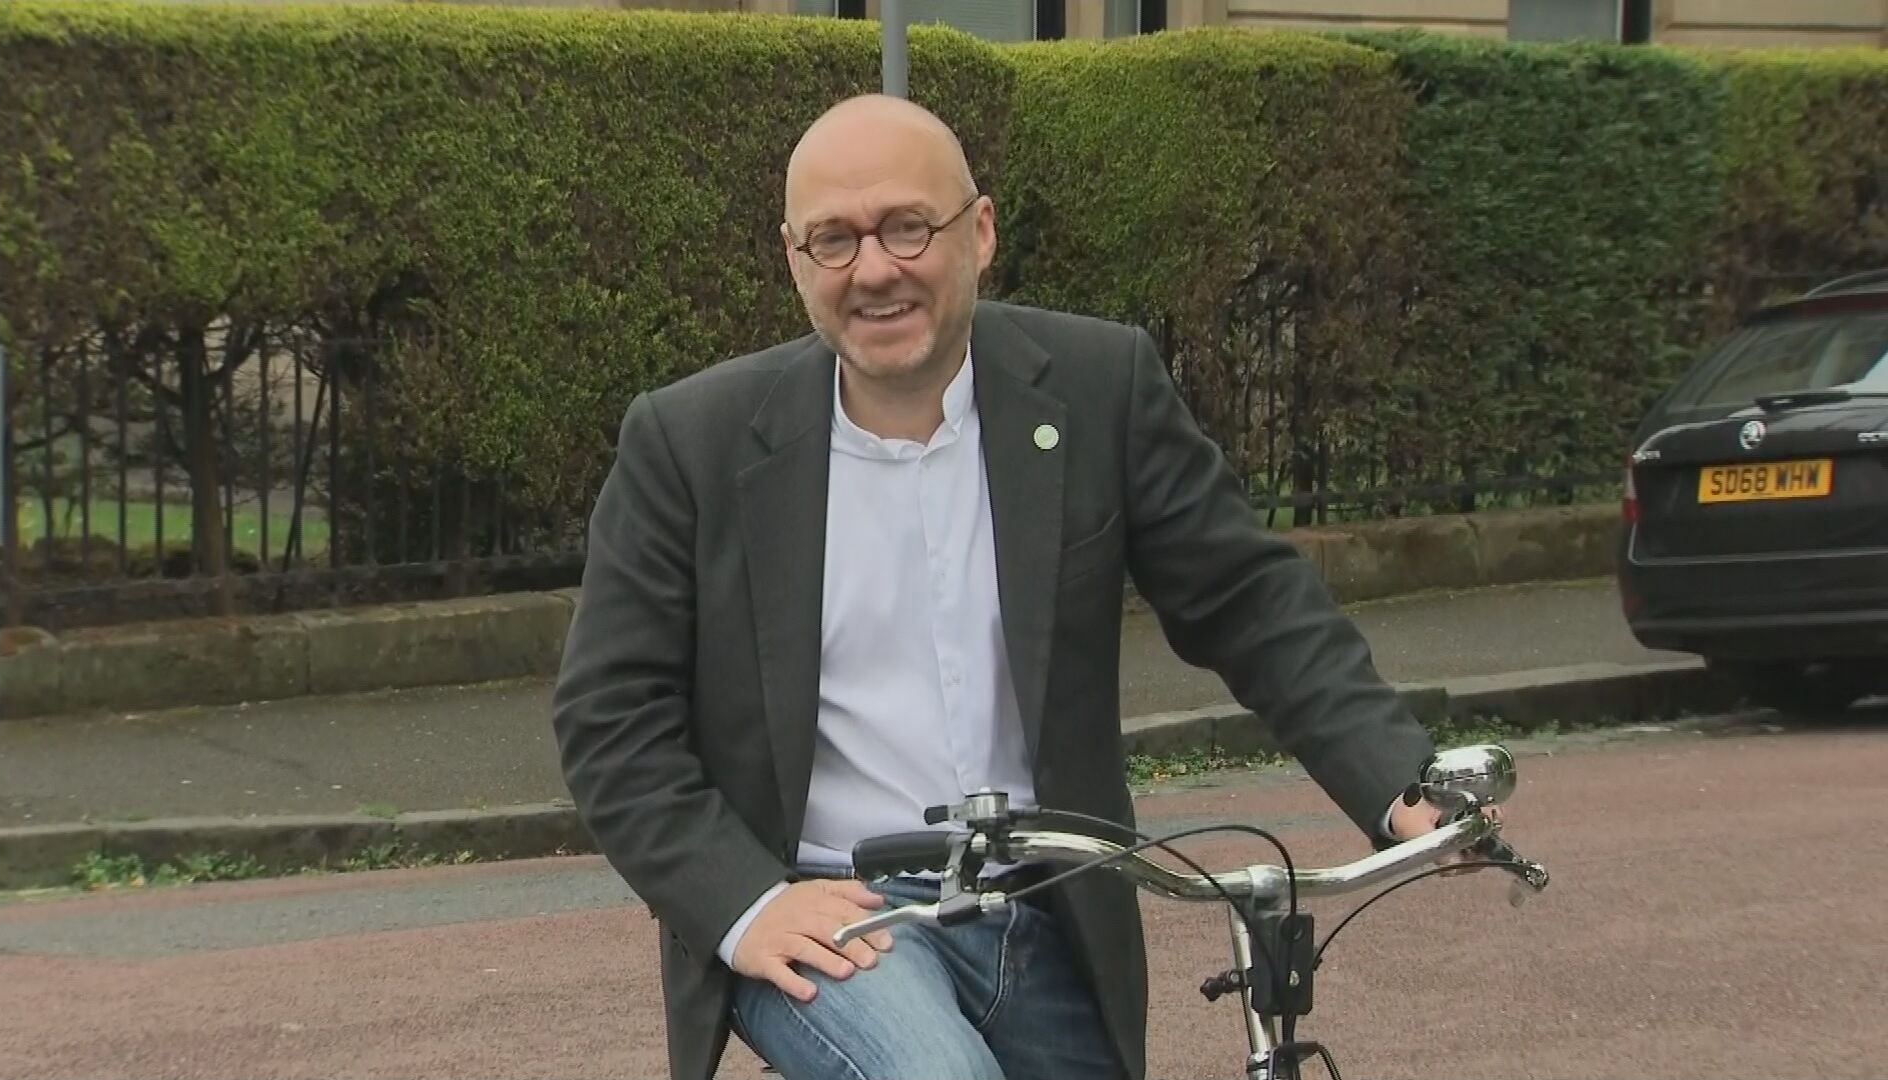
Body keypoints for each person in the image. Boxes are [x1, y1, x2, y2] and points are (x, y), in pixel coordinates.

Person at [551, 93, 1452, 1080]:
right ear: (794, 260)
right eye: (834, 240)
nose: (876, 270)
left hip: (1046, 906)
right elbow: (610, 717)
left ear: (978, 231)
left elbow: (1248, 602)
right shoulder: (691, 442)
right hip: (836, 914)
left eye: (907, 227)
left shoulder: (1098, 386)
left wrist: (1399, 780)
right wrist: (745, 902)